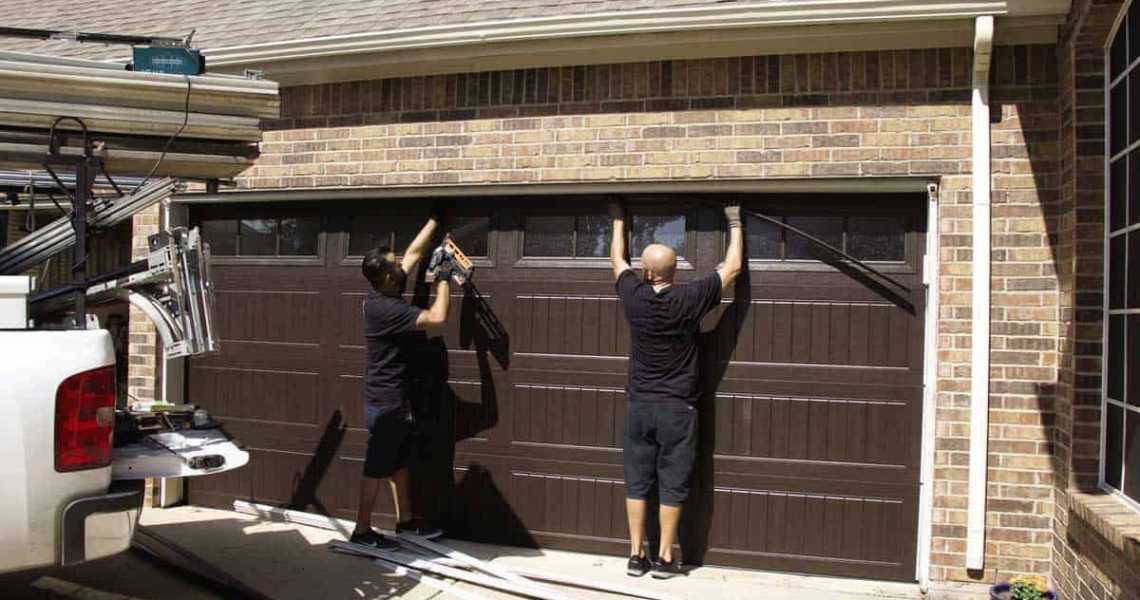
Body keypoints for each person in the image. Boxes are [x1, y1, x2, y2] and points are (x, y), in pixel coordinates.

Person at [608, 200, 744, 579]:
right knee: (672, 481)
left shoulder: (634, 297)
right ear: (670, 272)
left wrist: (618, 221)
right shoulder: (688, 299)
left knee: (637, 480)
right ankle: (666, 557)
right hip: (677, 411)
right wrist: (735, 222)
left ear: (647, 274)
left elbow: (617, 261)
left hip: (640, 407)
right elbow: (732, 268)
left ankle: (636, 555)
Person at [350, 214, 461, 548]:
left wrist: (437, 219)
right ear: (387, 276)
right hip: (385, 403)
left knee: (399, 463)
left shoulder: (384, 289)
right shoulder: (385, 309)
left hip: (393, 398)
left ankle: (405, 522)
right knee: (376, 466)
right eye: (394, 263)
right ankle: (361, 531)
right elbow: (437, 318)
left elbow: (413, 251)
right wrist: (443, 276)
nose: (402, 263)